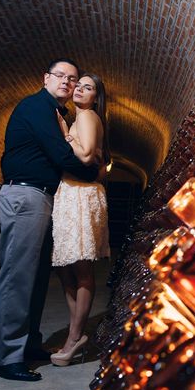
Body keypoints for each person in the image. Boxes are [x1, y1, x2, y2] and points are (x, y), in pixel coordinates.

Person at [0, 58, 99, 382]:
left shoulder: (56, 113)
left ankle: (28, 344)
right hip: (26, 196)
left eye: (73, 78)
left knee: (36, 278)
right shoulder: (37, 107)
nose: (67, 82)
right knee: (17, 277)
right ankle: (6, 358)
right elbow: (59, 154)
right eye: (61, 76)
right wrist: (91, 171)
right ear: (46, 78)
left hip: (41, 197)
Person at [49, 72, 110, 366]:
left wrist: (64, 136)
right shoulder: (78, 118)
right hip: (72, 193)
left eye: (88, 87)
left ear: (95, 97)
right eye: (79, 85)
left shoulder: (86, 116)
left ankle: (74, 337)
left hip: (81, 196)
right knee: (66, 268)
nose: (80, 90)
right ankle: (77, 332)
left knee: (81, 269)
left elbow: (85, 156)